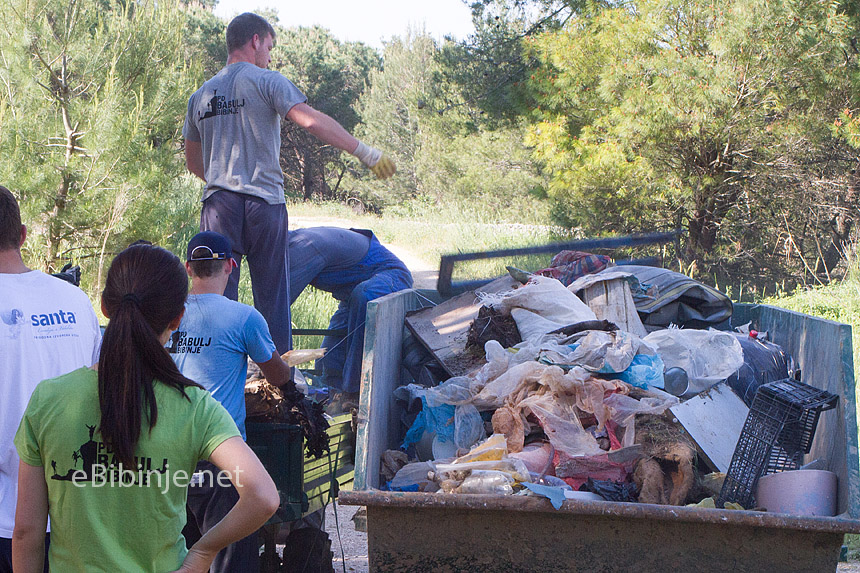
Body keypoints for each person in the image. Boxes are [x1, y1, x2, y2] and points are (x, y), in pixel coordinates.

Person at [12, 243, 279, 573]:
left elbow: (26, 533)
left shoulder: (48, 399)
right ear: (178, 317)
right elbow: (263, 497)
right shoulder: (194, 406)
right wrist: (202, 552)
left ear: (105, 307)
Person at [183, 12, 395, 356]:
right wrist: (365, 152)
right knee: (272, 301)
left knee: (215, 298)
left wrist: (226, 183)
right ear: (255, 41)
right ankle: (278, 388)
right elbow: (311, 122)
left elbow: (194, 164)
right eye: (269, 45)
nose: (269, 54)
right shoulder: (267, 81)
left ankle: (218, 376)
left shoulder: (201, 96)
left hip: (219, 207)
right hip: (263, 206)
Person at [168, 230, 293, 572]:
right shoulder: (243, 317)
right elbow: (277, 374)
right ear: (231, 266)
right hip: (219, 458)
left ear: (189, 268)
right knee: (229, 558)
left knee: (175, 554)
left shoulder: (167, 315)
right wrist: (291, 385)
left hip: (167, 453)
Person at [0, 185, 101, 573]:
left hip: (8, 519)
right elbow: (97, 385)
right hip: (75, 513)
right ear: (23, 235)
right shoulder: (75, 301)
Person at [288, 227, 413, 401]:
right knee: (328, 361)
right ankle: (331, 405)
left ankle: (354, 395)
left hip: (389, 277)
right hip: (353, 297)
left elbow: (275, 308)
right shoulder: (290, 245)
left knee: (365, 296)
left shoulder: (299, 249)